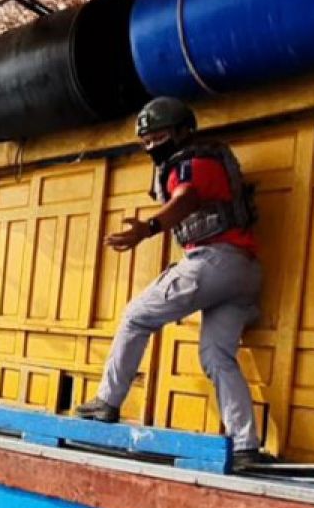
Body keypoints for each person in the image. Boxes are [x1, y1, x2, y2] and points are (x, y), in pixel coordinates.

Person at [75, 97, 270, 468]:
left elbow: (187, 197)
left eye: (159, 137)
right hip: (244, 269)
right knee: (217, 355)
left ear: (183, 132)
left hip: (213, 260)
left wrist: (149, 229)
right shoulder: (208, 160)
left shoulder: (193, 163)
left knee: (136, 317)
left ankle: (107, 401)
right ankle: (246, 445)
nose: (153, 146)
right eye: (146, 141)